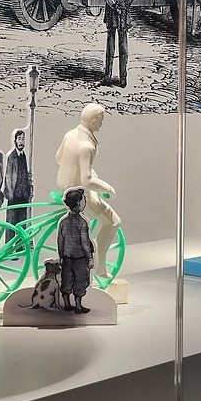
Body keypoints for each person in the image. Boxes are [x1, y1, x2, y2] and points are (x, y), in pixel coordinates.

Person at [55, 104, 120, 275]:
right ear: (93, 121)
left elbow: (58, 158)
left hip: (62, 184)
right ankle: (100, 266)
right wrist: (108, 187)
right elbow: (87, 180)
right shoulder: (86, 146)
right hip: (77, 192)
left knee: (99, 201)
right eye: (101, 120)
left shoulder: (70, 134)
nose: (102, 124)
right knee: (113, 221)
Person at [56, 186, 95, 314]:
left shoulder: (63, 222)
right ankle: (78, 306)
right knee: (80, 280)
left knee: (67, 280)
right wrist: (90, 258)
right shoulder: (82, 223)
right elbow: (85, 243)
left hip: (67, 257)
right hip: (80, 258)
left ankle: (67, 304)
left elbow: (60, 241)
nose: (85, 202)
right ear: (78, 203)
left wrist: (61, 256)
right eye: (84, 200)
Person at [5, 128, 33, 232]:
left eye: (23, 139)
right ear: (15, 141)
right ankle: (9, 243)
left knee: (22, 224)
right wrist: (10, 194)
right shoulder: (11, 157)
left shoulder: (24, 156)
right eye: (19, 139)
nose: (21, 142)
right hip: (14, 197)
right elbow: (8, 177)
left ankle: (21, 243)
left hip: (23, 197)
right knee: (11, 224)